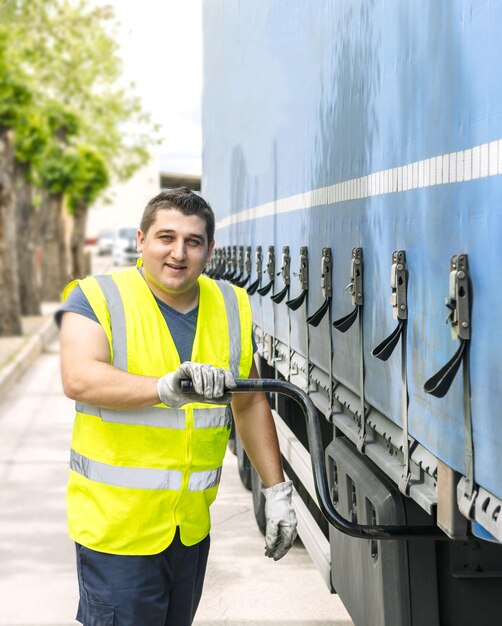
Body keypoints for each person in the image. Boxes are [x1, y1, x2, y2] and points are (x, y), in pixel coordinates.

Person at [57, 187, 297, 626]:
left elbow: (248, 402)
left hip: (188, 532)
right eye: (166, 237)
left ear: (209, 250)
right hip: (118, 532)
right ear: (141, 240)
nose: (178, 253)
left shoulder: (231, 305)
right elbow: (78, 377)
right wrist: (164, 388)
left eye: (193, 241)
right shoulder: (95, 297)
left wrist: (276, 489)